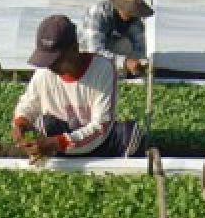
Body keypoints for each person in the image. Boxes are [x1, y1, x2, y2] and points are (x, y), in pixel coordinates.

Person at [12, 14, 144, 159]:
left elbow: (101, 126)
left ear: (74, 49)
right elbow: (28, 103)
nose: (50, 66)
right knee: (44, 124)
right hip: (59, 137)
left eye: (55, 61)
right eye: (46, 61)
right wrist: (21, 122)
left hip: (97, 143)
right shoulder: (44, 71)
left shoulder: (102, 68)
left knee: (132, 134)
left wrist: (59, 143)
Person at [79, 0, 152, 77]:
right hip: (86, 66)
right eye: (126, 7)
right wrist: (124, 62)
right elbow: (93, 52)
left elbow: (140, 48)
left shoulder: (135, 20)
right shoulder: (98, 13)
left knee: (126, 44)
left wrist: (140, 63)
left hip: (112, 67)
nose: (130, 13)